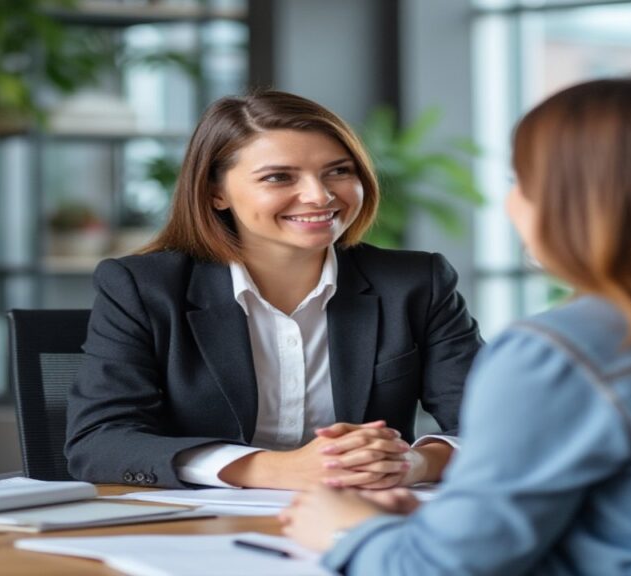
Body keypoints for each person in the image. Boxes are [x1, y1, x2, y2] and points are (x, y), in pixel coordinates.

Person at [280, 74, 631, 574]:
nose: (512, 203)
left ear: (571, 199)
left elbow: (440, 571)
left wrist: (345, 529)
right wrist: (449, 527)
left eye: (520, 180)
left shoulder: (563, 352)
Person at [65, 90, 483, 490]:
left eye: (338, 171)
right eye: (279, 177)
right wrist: (276, 469)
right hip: (203, 532)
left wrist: (412, 463)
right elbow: (99, 441)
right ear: (216, 194)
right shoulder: (144, 287)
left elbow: (497, 424)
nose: (319, 195)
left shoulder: (415, 282)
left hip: (362, 518)